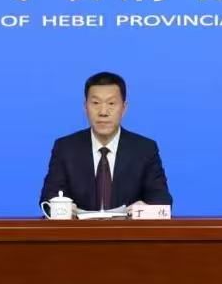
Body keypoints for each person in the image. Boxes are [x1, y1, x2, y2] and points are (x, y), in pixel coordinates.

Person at [39, 71, 172, 211]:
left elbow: (162, 202)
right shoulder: (66, 148)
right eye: (96, 103)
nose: (103, 112)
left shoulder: (145, 149)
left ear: (124, 108)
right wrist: (63, 210)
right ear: (85, 107)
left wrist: (145, 210)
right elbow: (48, 200)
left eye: (111, 103)